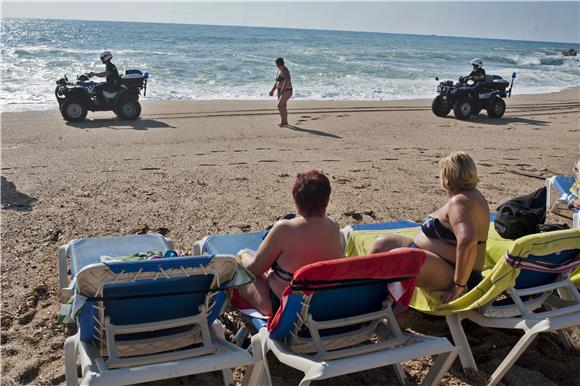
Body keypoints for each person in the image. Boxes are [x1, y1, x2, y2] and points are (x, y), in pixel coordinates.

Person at [370, 152, 490, 303]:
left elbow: (468, 241)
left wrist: (459, 285)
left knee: (399, 259)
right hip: (440, 261)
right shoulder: (472, 195)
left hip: (457, 272)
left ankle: (384, 307)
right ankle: (368, 295)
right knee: (381, 244)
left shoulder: (459, 202)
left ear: (446, 177)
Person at [236, 170, 342, 316]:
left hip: (284, 307)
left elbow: (255, 269)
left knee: (241, 269)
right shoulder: (334, 227)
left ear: (296, 200)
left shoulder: (285, 228)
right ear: (327, 199)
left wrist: (242, 255)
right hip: (323, 303)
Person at [269, 57, 293, 127]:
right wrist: (272, 90)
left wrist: (282, 89)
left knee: (279, 105)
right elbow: (277, 82)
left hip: (286, 90)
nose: (276, 66)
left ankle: (284, 121)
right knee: (283, 106)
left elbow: (288, 80)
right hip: (280, 90)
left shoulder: (284, 69)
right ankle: (284, 121)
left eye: (277, 64)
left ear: (279, 64)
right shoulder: (279, 70)